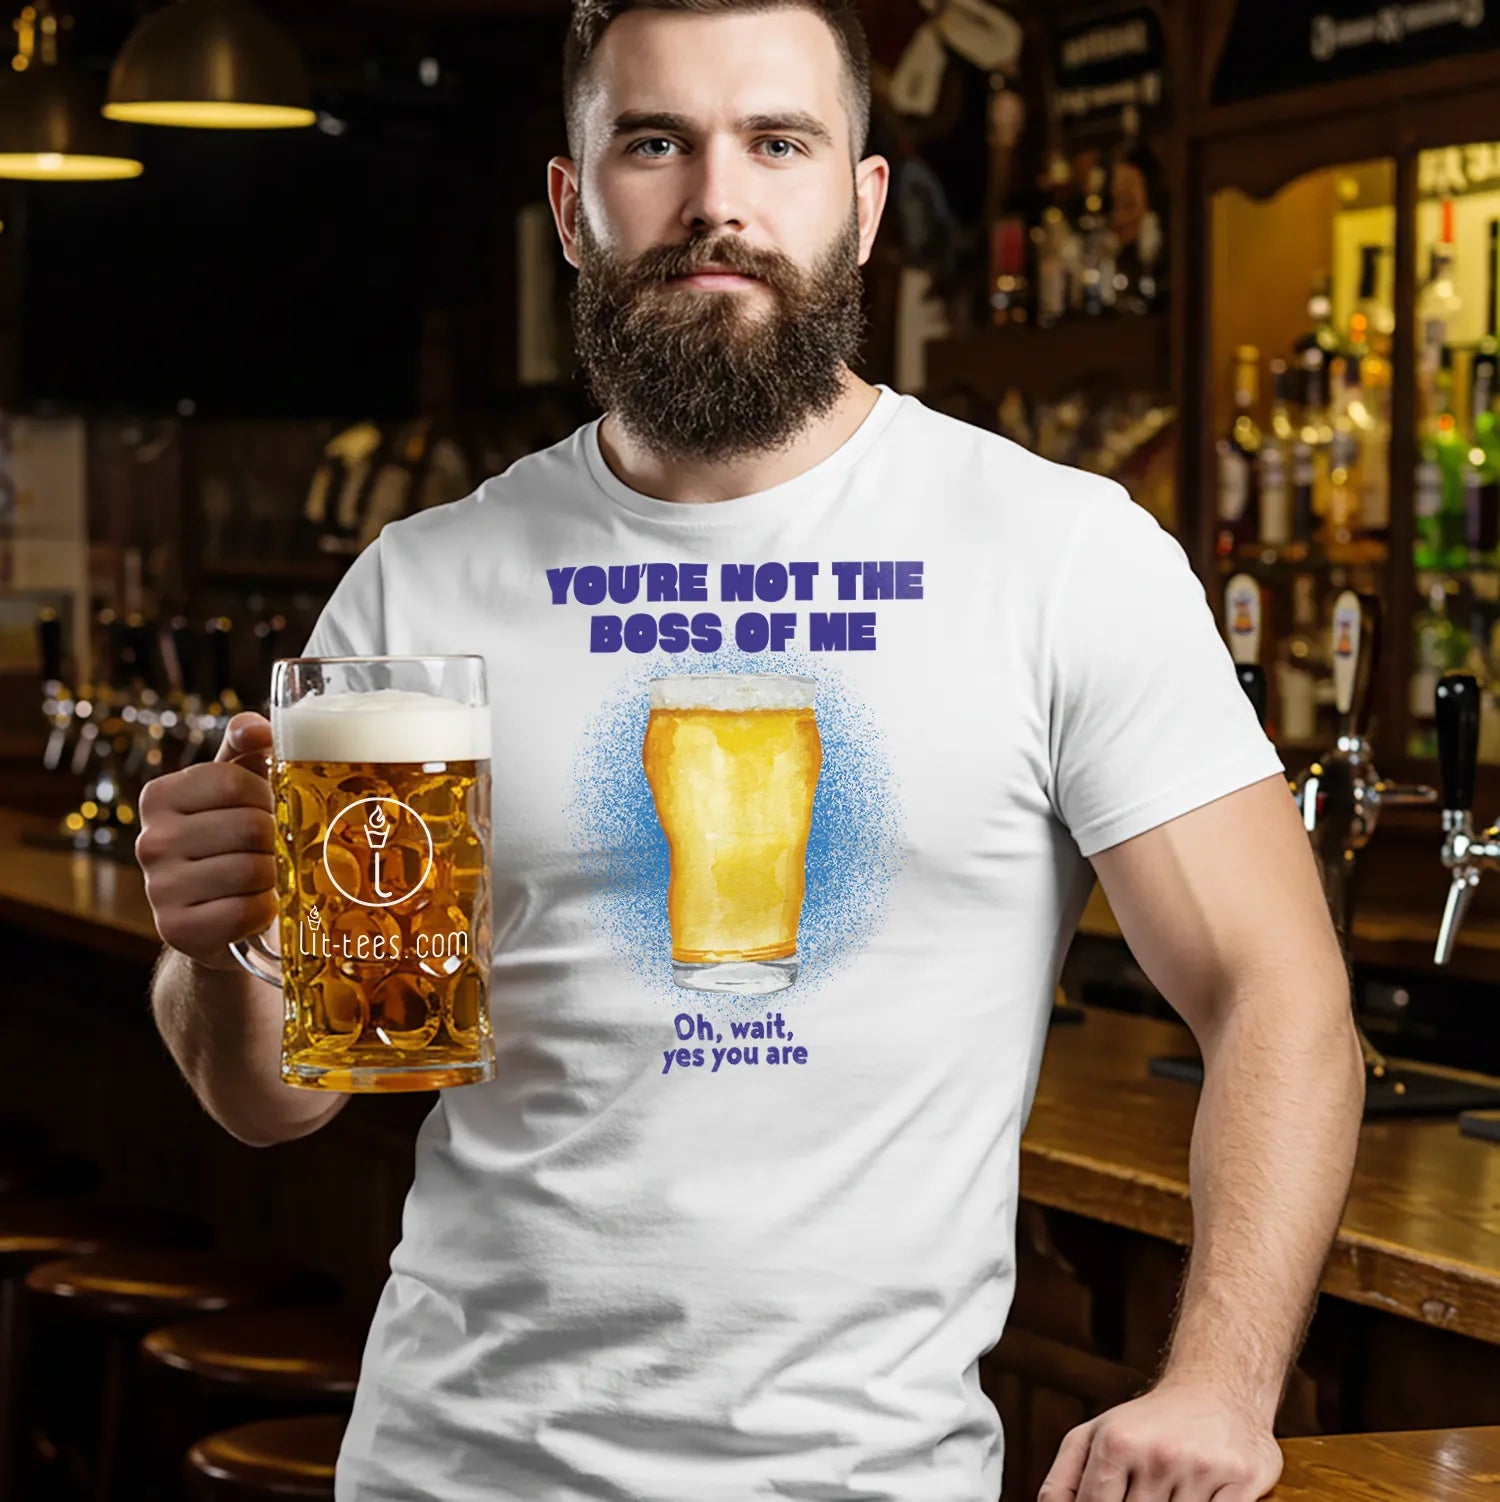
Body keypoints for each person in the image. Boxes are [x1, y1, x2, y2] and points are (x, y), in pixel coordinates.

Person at [134, 0, 1366, 1496]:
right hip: (457, 1463)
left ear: (862, 202)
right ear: (572, 206)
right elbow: (285, 1095)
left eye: (777, 141)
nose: (718, 198)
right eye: (655, 141)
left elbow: (1280, 988)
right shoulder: (422, 583)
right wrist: (219, 951)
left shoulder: (1057, 554)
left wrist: (1224, 1384)